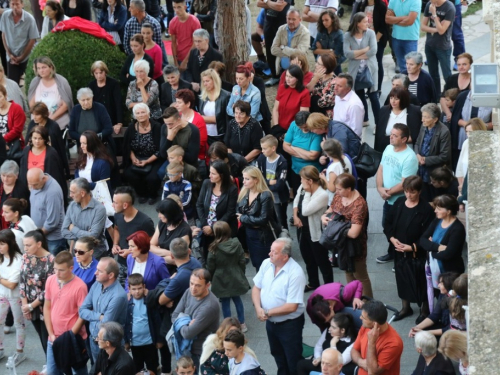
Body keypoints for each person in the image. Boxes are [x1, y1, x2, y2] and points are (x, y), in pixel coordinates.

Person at [252, 238, 306, 375]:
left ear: (285, 256)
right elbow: (256, 288)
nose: (269, 254)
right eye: (271, 250)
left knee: (293, 360)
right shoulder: (266, 264)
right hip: (271, 323)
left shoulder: (295, 273)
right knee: (278, 356)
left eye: (274, 252)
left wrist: (267, 311)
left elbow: (291, 306)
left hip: (289, 325)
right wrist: (258, 308)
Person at [383, 176, 434, 322]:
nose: (408, 195)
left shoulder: (425, 209)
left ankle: (425, 310)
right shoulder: (399, 203)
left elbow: (428, 234)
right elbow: (388, 223)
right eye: (406, 191)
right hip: (399, 251)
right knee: (402, 279)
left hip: (417, 254)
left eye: (412, 192)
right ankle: (406, 307)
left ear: (419, 191)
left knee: (422, 282)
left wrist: (412, 247)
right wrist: (392, 239)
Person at [321, 174, 373, 298]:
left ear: (349, 188)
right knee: (347, 271)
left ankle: (367, 303)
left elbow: (354, 233)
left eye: (339, 189)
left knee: (360, 275)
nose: (336, 191)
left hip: (355, 246)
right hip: (341, 243)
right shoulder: (339, 196)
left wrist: (334, 226)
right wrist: (324, 217)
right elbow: (331, 211)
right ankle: (354, 298)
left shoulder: (359, 204)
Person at [375, 123, 418, 264]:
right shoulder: (388, 148)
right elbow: (381, 169)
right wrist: (380, 188)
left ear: (404, 139)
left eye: (395, 135)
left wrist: (388, 192)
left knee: (399, 230)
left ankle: (399, 257)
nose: (391, 137)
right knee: (387, 226)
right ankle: (392, 253)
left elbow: (406, 183)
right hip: (388, 198)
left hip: (400, 201)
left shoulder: (409, 158)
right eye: (391, 134)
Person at [44, 251, 88, 375]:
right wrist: (51, 334)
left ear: (71, 268)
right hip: (53, 338)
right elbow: (47, 307)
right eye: (55, 269)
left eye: (61, 270)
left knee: (77, 371)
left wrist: (68, 336)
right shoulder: (50, 280)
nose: (57, 273)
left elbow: (82, 315)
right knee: (52, 372)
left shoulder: (80, 286)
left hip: (72, 339)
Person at [79, 257, 128, 364]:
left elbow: (105, 323)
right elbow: (82, 310)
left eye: (100, 271)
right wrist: (98, 316)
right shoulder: (96, 285)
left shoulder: (118, 296)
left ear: (110, 275)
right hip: (94, 340)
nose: (95, 273)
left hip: (109, 345)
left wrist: (93, 316)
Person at [172, 268, 221, 369]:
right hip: (186, 348)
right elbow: (174, 315)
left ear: (208, 285)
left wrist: (180, 322)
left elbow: (188, 333)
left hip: (201, 353)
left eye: (198, 285)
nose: (193, 288)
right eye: (191, 283)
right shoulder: (189, 292)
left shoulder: (210, 306)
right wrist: (186, 323)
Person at [207, 221, 250, 331]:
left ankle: (227, 325)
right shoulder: (236, 243)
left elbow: (210, 266)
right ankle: (242, 323)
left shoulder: (213, 248)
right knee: (237, 299)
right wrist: (241, 273)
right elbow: (242, 260)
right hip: (235, 273)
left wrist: (211, 278)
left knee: (225, 302)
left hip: (220, 277)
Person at [294, 166, 331, 292]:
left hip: (316, 232)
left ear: (310, 181)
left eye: (302, 179)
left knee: (322, 261)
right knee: (308, 258)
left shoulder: (322, 194)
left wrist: (308, 193)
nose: (300, 181)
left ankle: (329, 287)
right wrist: (295, 216)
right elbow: (295, 201)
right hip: (303, 229)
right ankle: (313, 282)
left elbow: (305, 211)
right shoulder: (304, 187)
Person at [237, 166, 279, 271]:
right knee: (256, 264)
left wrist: (243, 218)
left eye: (247, 179)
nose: (244, 182)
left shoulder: (265, 195)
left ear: (256, 180)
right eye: (243, 178)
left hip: (263, 237)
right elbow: (238, 210)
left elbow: (263, 219)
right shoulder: (245, 192)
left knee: (265, 265)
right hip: (250, 234)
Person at [19, 230, 55, 355]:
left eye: (28, 245)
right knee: (41, 336)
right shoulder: (25, 256)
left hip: (45, 306)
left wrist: (31, 306)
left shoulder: (51, 260)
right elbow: (22, 281)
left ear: (39, 244)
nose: (25, 248)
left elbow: (49, 289)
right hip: (29, 305)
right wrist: (25, 306)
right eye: (24, 245)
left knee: (47, 339)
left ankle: (53, 367)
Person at [344, 12, 380, 130]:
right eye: (365, 21)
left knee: (373, 96)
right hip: (355, 71)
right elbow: (347, 54)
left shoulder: (370, 33)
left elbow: (373, 50)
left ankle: (379, 124)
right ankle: (365, 119)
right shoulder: (348, 35)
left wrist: (356, 55)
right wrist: (364, 50)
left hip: (370, 69)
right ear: (358, 23)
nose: (367, 23)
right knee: (359, 96)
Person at [196, 161, 238, 262]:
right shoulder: (206, 183)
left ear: (222, 175)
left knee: (222, 259)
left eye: (213, 173)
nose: (210, 176)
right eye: (210, 172)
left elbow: (230, 213)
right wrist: (205, 225)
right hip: (206, 229)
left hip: (223, 230)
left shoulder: (232, 189)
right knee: (207, 258)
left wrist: (213, 228)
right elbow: (199, 204)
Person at [112, 186, 154, 284]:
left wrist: (131, 252)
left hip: (139, 265)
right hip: (121, 263)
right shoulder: (118, 215)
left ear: (125, 205)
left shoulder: (145, 222)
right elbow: (116, 229)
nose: (112, 205)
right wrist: (115, 244)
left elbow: (151, 246)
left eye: (115, 202)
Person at [123, 103, 164, 204]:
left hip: (154, 158)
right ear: (134, 115)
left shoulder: (157, 127)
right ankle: (141, 193)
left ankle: (153, 194)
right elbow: (127, 147)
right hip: (137, 157)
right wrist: (133, 158)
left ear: (148, 113)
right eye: (138, 113)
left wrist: (147, 161)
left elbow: (161, 149)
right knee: (130, 174)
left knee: (152, 177)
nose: (140, 115)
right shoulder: (131, 128)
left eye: (143, 112)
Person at [351, 300, 403, 375]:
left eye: (363, 317)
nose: (360, 318)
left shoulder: (393, 343)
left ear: (375, 324)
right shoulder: (365, 327)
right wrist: (360, 362)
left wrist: (371, 343)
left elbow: (373, 371)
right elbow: (354, 350)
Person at [124, 273, 161, 374]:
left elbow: (156, 321)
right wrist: (126, 341)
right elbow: (125, 323)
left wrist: (159, 339)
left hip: (150, 343)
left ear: (144, 287)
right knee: (137, 369)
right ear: (129, 289)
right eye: (134, 289)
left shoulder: (150, 301)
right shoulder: (127, 303)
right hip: (135, 344)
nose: (137, 292)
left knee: (152, 368)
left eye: (139, 288)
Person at [420, 194, 466, 275]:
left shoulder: (458, 228)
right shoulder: (437, 221)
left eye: (439, 209)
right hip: (434, 267)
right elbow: (423, 240)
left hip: (450, 272)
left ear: (448, 211)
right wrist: (438, 247)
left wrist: (431, 249)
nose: (435, 211)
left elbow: (448, 254)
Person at [19, 126, 67, 202]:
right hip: (28, 191)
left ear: (45, 139)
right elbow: (22, 172)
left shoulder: (51, 153)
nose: (37, 141)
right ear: (31, 138)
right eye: (35, 138)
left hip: (45, 191)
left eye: (40, 138)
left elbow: (56, 176)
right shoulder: (26, 151)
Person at [62, 178, 107, 258]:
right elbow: (64, 232)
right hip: (77, 255)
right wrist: (86, 234)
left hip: (95, 257)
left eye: (72, 192)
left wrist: (73, 229)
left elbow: (93, 236)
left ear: (82, 193)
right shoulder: (72, 206)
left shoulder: (99, 209)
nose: (70, 195)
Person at [415, 103, 452, 201]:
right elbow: (417, 143)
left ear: (435, 119)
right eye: (422, 116)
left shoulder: (444, 132)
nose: (422, 119)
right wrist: (417, 155)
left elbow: (445, 155)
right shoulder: (423, 126)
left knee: (434, 199)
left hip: (434, 173)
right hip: (421, 171)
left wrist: (426, 160)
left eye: (426, 117)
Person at [26, 168, 67, 255]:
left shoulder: (52, 192)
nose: (33, 188)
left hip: (54, 239)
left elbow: (52, 222)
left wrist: (36, 235)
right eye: (31, 185)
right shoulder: (37, 184)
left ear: (43, 179)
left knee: (54, 266)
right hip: (42, 236)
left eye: (35, 185)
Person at [450, 89, 493, 170]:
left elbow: (495, 122)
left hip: (482, 136)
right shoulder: (463, 96)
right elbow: (455, 118)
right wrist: (468, 126)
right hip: (463, 135)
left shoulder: (492, 97)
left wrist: (479, 126)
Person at [28, 56, 74, 131]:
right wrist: (40, 119)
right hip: (39, 124)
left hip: (58, 124)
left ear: (51, 67)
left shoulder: (62, 81)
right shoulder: (35, 82)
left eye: (44, 67)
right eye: (38, 68)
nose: (41, 71)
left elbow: (66, 104)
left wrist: (49, 120)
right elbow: (32, 103)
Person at [408, 272, 459, 338]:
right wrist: (416, 328)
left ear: (448, 285)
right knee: (421, 330)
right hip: (445, 326)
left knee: (424, 336)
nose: (438, 285)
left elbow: (449, 329)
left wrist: (424, 333)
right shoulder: (443, 295)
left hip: (453, 333)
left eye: (441, 283)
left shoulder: (457, 303)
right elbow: (435, 315)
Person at [0, 229, 25, 366]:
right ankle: (0, 349)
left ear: (10, 243)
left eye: (2, 244)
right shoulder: (1, 256)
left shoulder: (17, 259)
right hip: (2, 294)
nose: (0, 247)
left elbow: (11, 284)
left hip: (16, 296)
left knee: (19, 324)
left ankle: (20, 352)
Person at [421, 0, 455, 97]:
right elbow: (423, 27)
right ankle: (436, 97)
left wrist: (434, 14)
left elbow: (442, 31)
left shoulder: (449, 7)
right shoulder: (429, 4)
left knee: (447, 75)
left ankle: (450, 97)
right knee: (433, 74)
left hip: (443, 47)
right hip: (430, 45)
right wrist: (437, 28)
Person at [0, 0, 39, 84]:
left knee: (32, 82)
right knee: (12, 85)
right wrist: (9, 54)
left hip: (27, 56)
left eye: (17, 4)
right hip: (11, 56)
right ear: (9, 5)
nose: (15, 7)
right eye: (12, 4)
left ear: (22, 4)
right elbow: (3, 35)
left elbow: (32, 40)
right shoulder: (5, 16)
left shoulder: (30, 19)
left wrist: (21, 57)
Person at [283, 111, 323, 194]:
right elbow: (285, 146)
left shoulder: (315, 130)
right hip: (296, 169)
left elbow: (313, 155)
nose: (303, 129)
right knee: (298, 195)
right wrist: (305, 154)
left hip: (311, 172)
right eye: (300, 127)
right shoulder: (294, 125)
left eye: (305, 126)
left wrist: (293, 147)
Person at [26, 102, 68, 177]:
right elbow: (27, 143)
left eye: (37, 115)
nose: (34, 117)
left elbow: (60, 147)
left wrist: (65, 167)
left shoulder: (53, 126)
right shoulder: (32, 124)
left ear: (44, 114)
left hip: (50, 160)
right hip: (35, 159)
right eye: (33, 114)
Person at [256, 135, 289, 230]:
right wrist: (269, 182)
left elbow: (280, 185)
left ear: (273, 148)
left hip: (279, 198)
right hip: (264, 196)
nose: (262, 151)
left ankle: (284, 238)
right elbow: (258, 179)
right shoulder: (261, 159)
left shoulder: (282, 162)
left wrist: (264, 185)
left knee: (281, 220)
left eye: (264, 148)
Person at [375, 86, 422, 153]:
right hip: (387, 150)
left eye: (396, 99)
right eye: (391, 98)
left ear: (403, 99)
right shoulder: (383, 110)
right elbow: (379, 136)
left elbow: (417, 135)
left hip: (408, 150)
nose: (393, 101)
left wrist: (399, 141)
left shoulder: (414, 111)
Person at [150, 198, 192, 268]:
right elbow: (151, 246)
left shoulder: (184, 231)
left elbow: (178, 259)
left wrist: (156, 257)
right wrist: (170, 253)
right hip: (161, 265)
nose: (159, 216)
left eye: (161, 213)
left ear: (169, 214)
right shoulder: (162, 223)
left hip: (176, 270)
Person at [257, 0, 291, 87]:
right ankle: (274, 76)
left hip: (282, 26)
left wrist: (266, 2)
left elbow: (279, 7)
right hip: (268, 25)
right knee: (270, 51)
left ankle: (286, 75)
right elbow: (258, 3)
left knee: (284, 52)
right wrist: (273, 4)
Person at [159, 106, 201, 174]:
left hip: (186, 162)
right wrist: (169, 138)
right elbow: (163, 154)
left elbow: (192, 157)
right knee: (160, 173)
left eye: (170, 124)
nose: (168, 127)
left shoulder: (193, 130)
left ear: (178, 119)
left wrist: (175, 154)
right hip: (171, 161)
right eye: (166, 124)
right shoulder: (164, 127)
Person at [123, 0, 167, 65]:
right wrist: (135, 57)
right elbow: (126, 44)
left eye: (131, 7)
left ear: (137, 10)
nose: (129, 9)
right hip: (135, 61)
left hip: (152, 62)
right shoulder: (129, 24)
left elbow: (158, 46)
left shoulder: (154, 24)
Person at [359, 0, 388, 95]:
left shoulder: (381, 6)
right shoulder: (362, 5)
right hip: (364, 40)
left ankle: (377, 88)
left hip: (377, 39)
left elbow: (384, 26)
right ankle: (367, 87)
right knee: (366, 64)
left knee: (377, 63)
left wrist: (374, 41)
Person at [385, 0, 421, 74]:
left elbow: (410, 21)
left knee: (412, 67)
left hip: (410, 39)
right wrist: (404, 18)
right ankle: (405, 84)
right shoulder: (393, 1)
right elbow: (387, 19)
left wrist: (394, 19)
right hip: (396, 37)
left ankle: (413, 85)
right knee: (402, 67)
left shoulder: (416, 1)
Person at [88, 61, 124, 136]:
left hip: (112, 118)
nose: (99, 75)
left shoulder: (113, 84)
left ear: (105, 72)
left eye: (101, 72)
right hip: (97, 120)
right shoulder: (91, 85)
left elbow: (118, 103)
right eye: (96, 73)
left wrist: (119, 123)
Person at [270, 9, 311, 75]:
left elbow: (300, 53)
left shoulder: (305, 33)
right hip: (282, 69)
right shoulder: (281, 29)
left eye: (294, 19)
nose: (291, 21)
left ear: (300, 20)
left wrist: (283, 48)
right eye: (289, 19)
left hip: (298, 70)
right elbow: (273, 50)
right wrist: (294, 51)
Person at [273, 65, 311, 132]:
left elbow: (302, 118)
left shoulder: (304, 93)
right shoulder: (282, 87)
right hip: (279, 127)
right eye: (286, 76)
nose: (287, 79)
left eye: (291, 77)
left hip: (294, 129)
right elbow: (275, 109)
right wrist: (276, 126)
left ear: (297, 78)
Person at [174, 89, 208, 164]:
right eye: (176, 102)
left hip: (195, 157)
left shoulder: (198, 120)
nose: (176, 105)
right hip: (178, 154)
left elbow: (200, 144)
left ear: (188, 104)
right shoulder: (177, 116)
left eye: (179, 102)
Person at [199, 68, 231, 142]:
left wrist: (203, 118)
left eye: (207, 81)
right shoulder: (203, 96)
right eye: (203, 81)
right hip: (206, 134)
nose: (205, 84)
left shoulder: (226, 96)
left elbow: (223, 119)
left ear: (214, 81)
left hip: (221, 135)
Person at [440, 52, 473, 123]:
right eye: (459, 65)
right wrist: (448, 113)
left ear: (470, 65)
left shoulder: (473, 80)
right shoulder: (452, 78)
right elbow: (442, 98)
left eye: (464, 64)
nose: (461, 67)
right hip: (451, 112)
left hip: (466, 115)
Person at [170, 0, 201, 69]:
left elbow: (195, 43)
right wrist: (175, 61)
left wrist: (185, 61)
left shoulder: (194, 21)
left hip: (193, 57)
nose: (176, 10)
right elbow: (173, 43)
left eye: (179, 7)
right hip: (180, 57)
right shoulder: (172, 22)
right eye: (174, 7)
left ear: (185, 7)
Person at [320, 138, 353, 205]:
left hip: (335, 201)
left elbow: (332, 189)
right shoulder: (346, 158)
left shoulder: (333, 168)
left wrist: (324, 178)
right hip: (347, 196)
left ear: (328, 153)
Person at [332, 73, 364, 137]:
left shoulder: (354, 105)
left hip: (346, 140)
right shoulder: (338, 95)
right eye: (335, 84)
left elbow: (356, 131)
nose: (335, 88)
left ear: (348, 89)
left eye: (339, 86)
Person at [0, 161, 30, 230]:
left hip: (13, 226)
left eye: (9, 176)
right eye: (3, 175)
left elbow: (23, 212)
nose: (5, 179)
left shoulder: (21, 190)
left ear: (16, 176)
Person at [313, 10, 344, 76]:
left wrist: (321, 50)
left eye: (326, 20)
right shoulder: (321, 32)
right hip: (321, 64)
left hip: (334, 65)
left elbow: (336, 54)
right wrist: (330, 51)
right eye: (323, 20)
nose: (324, 22)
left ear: (332, 20)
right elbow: (314, 50)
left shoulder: (339, 34)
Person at [309, 54, 337, 119]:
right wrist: (315, 79)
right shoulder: (317, 76)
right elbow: (307, 90)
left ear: (325, 67)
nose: (316, 65)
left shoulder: (334, 82)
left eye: (318, 64)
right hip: (312, 112)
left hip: (323, 117)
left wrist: (312, 96)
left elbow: (322, 103)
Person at [0, 83, 25, 152]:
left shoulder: (16, 108)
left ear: (5, 95)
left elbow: (17, 130)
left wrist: (2, 141)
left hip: (13, 145)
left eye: (0, 97)